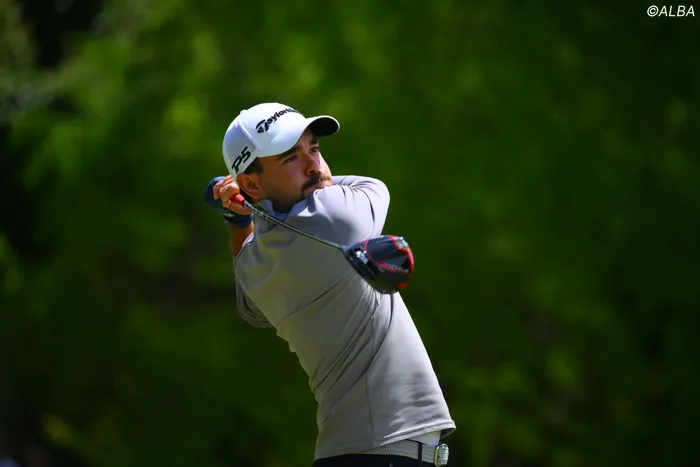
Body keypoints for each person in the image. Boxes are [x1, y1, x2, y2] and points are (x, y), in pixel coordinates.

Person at [204, 103, 456, 466]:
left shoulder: (255, 263)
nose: (314, 166)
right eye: (291, 157)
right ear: (252, 183)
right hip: (384, 451)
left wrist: (238, 213)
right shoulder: (335, 218)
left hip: (353, 452)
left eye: (314, 148)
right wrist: (250, 205)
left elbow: (251, 309)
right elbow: (374, 186)